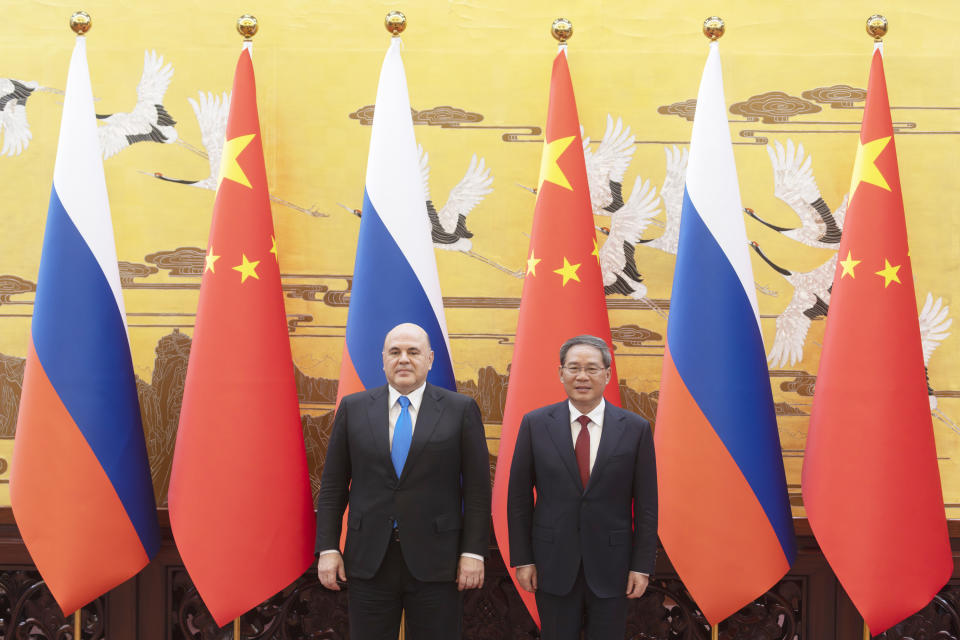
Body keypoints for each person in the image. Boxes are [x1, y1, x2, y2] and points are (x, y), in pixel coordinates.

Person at [315, 322, 491, 640]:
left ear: (430, 359)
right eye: (395, 352)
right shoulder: (353, 409)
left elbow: (477, 490)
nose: (404, 359)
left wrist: (473, 552)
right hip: (370, 560)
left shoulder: (460, 410)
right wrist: (328, 548)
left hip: (439, 563)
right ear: (383, 360)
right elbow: (332, 487)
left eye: (413, 351)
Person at [507, 334, 658, 640]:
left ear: (607, 374)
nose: (582, 376)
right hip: (552, 564)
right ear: (561, 373)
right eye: (574, 368)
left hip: (613, 567)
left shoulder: (635, 428)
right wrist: (524, 559)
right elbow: (519, 499)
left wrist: (641, 566)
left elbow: (646, 505)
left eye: (591, 368)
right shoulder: (535, 424)